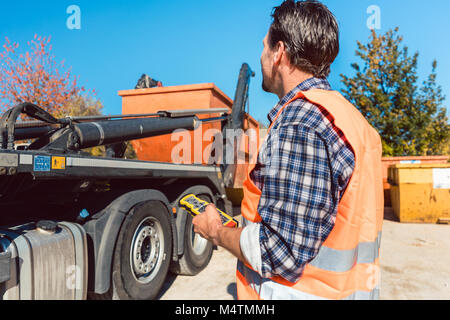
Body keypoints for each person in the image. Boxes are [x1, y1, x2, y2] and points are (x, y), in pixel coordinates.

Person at [192, 0, 384, 300]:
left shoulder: (301, 122)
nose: (261, 55)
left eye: (264, 46)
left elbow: (277, 252)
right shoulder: (354, 121)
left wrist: (215, 231)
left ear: (279, 52)